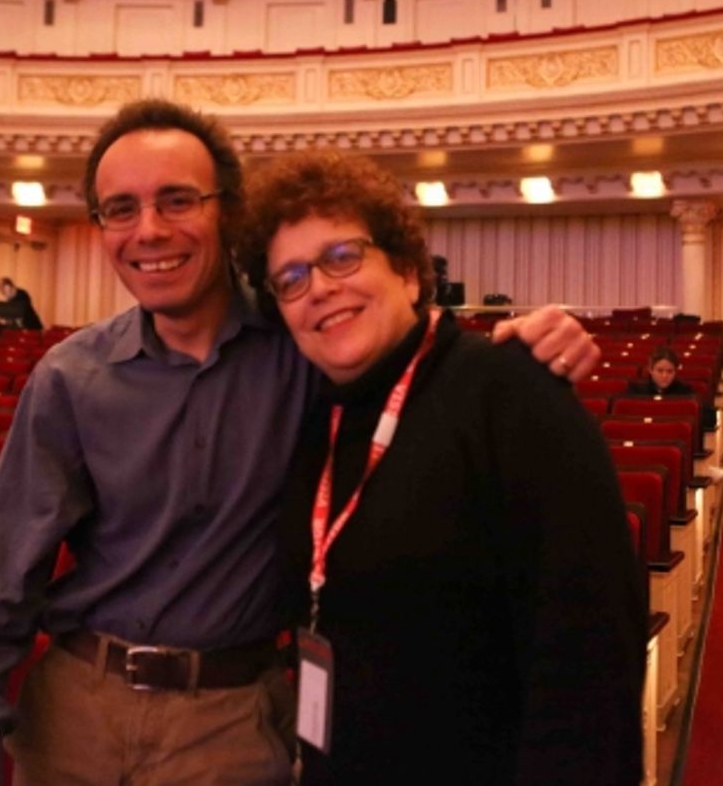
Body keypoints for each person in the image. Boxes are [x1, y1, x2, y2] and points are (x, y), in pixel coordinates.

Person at [0, 99, 601, 786]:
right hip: (74, 711)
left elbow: (408, 355)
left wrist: (523, 340)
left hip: (232, 724)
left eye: (178, 199)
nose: (149, 230)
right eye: (120, 209)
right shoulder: (69, 379)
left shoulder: (304, 342)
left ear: (228, 210)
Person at [239, 152, 646, 785]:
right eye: (290, 278)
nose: (318, 286)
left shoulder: (511, 391)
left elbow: (587, 661)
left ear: (406, 270)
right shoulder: (317, 416)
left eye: (342, 257)